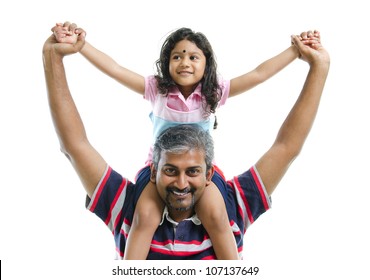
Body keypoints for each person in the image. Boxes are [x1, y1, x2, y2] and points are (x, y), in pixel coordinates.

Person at [43, 26, 329, 260]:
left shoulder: (213, 92)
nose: (185, 62)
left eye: (194, 57)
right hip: (154, 169)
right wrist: (78, 48)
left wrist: (296, 53)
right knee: (145, 215)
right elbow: (113, 73)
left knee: (217, 214)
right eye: (178, 56)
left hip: (196, 170)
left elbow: (260, 77)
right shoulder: (157, 89)